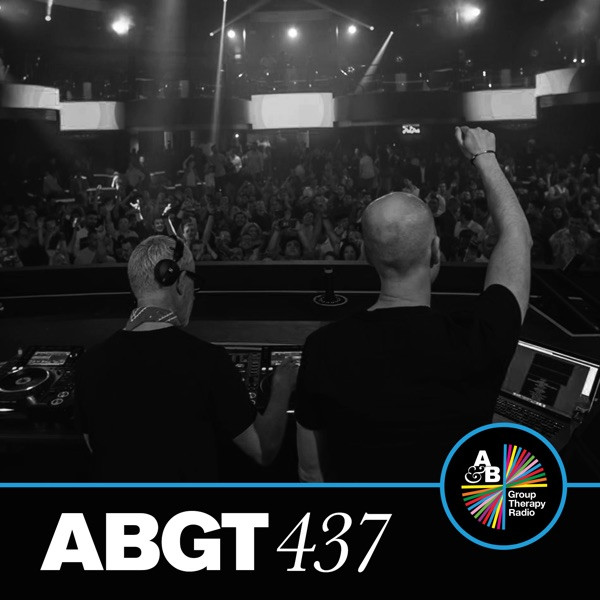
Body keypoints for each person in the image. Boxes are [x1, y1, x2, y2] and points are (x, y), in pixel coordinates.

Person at [294, 126, 532, 482]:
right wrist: (484, 157)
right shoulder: (476, 338)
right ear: (436, 251)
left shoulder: (323, 347)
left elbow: (310, 472)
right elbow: (517, 237)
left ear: (366, 256)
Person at [74, 235, 297, 482]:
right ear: (180, 282)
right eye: (194, 283)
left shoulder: (88, 364)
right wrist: (282, 385)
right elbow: (263, 449)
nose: (195, 294)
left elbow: (95, 446)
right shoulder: (208, 361)